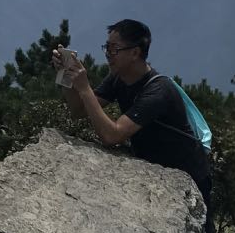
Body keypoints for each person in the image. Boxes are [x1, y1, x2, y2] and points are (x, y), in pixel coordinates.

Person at [54, 18, 220, 213]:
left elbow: (112, 136)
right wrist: (66, 75)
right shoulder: (118, 78)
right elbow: (79, 111)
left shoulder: (158, 91)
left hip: (188, 178)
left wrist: (84, 87)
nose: (108, 54)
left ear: (135, 52)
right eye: (107, 47)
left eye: (114, 49)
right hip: (155, 172)